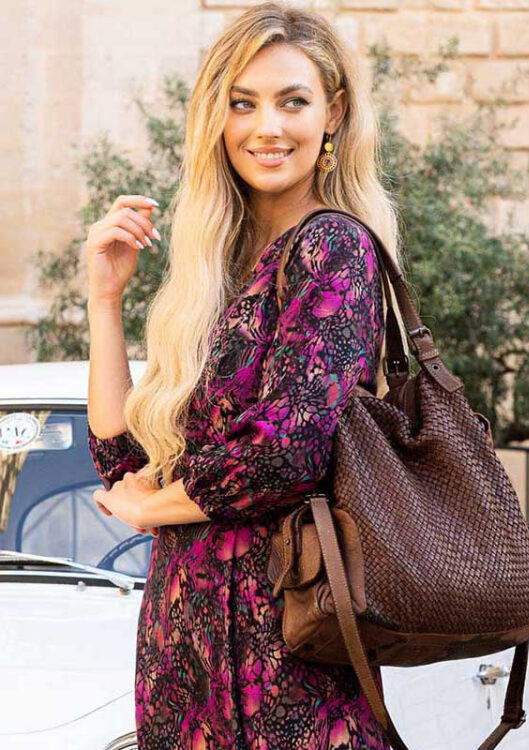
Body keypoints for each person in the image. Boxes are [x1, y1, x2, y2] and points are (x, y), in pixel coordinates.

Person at [86, 2, 401, 747]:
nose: (267, 127)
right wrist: (104, 300)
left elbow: (282, 456)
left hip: (282, 656)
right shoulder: (217, 269)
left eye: (293, 101)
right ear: (216, 119)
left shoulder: (333, 249)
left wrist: (151, 505)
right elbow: (123, 458)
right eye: (242, 103)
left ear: (333, 114)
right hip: (183, 656)